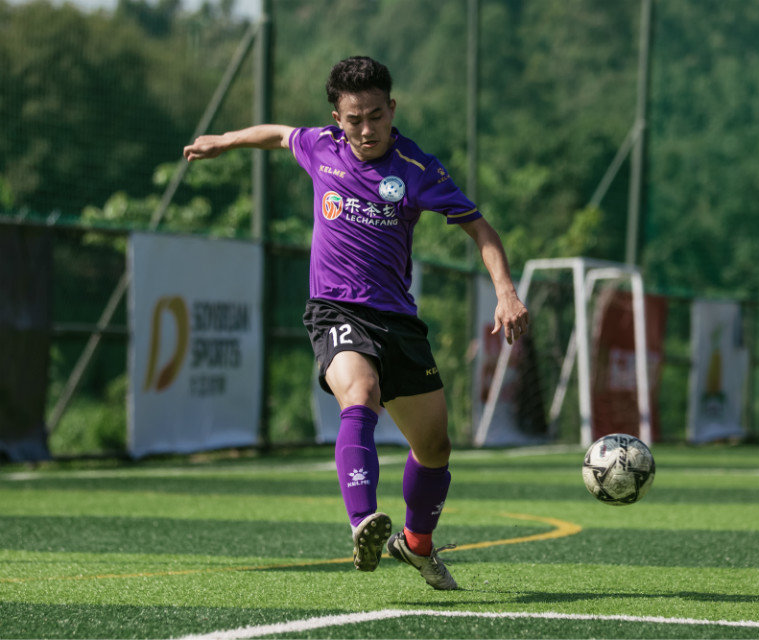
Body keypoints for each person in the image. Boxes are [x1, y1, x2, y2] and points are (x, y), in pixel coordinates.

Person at [183, 56, 528, 590]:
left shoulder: (417, 169)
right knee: (360, 394)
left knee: (435, 448)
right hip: (335, 309)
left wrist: (505, 292)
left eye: (376, 116)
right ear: (337, 119)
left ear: (392, 109)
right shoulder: (320, 146)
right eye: (354, 119)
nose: (366, 130)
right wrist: (225, 141)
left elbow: (480, 229)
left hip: (397, 319)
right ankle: (362, 520)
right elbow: (278, 134)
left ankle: (416, 544)